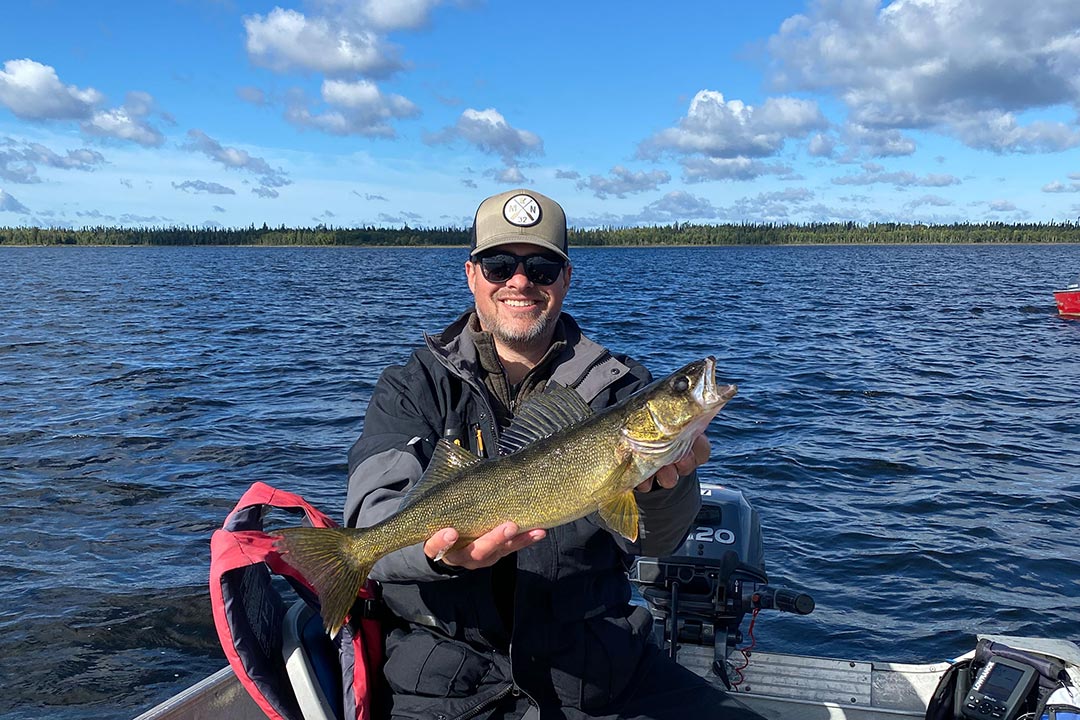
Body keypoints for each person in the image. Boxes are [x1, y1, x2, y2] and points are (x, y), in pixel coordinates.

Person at [344, 189, 762, 720]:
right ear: (472, 274)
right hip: (443, 676)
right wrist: (436, 554)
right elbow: (373, 520)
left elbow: (654, 538)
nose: (520, 281)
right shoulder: (411, 389)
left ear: (565, 279)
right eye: (499, 265)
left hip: (595, 668)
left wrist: (669, 488)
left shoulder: (618, 390)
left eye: (542, 267)